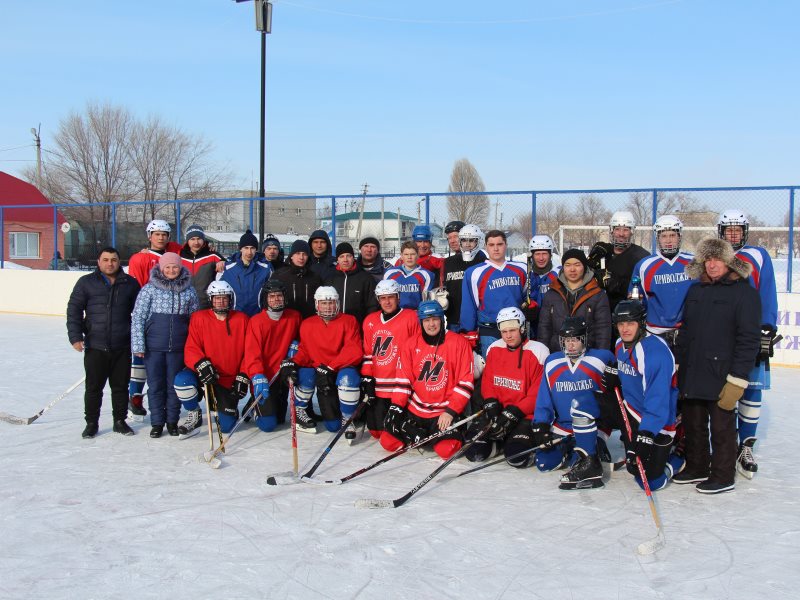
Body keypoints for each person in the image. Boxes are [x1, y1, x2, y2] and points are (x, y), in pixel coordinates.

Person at [673, 238, 761, 493]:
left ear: (728, 261)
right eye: (707, 260)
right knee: (693, 422)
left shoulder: (745, 293)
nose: (712, 265)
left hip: (723, 373)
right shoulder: (695, 290)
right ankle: (698, 466)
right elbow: (686, 330)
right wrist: (679, 361)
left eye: (717, 260)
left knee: (722, 427)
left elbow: (749, 339)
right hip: (693, 369)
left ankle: (723, 475)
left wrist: (738, 378)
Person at [717, 209, 779, 478]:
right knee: (720, 391)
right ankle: (722, 446)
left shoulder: (758, 255)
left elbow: (767, 291)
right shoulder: (713, 256)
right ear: (720, 232)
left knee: (751, 390)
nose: (733, 234)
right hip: (720, 337)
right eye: (728, 230)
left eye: (737, 230)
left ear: (745, 231)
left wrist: (766, 327)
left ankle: (746, 445)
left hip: (749, 334)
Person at [600, 299, 682, 491]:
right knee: (588, 401)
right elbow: (628, 371)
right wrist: (616, 377)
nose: (625, 329)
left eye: (630, 323)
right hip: (631, 410)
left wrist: (646, 434)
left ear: (641, 324)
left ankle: (678, 456)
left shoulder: (655, 353)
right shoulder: (620, 344)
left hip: (657, 421)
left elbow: (657, 400)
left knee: (649, 481)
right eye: (621, 324)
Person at [380, 300, 475, 459]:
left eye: (435, 319)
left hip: (443, 411)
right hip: (416, 409)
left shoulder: (459, 343)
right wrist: (396, 407)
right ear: (421, 322)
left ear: (442, 319)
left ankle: (427, 438)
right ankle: (421, 437)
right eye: (427, 320)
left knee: (446, 450)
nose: (431, 324)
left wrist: (451, 411)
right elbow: (403, 380)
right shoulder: (410, 344)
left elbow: (466, 381)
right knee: (388, 442)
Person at [530, 317, 615, 489]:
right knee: (544, 463)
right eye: (567, 340)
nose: (570, 345)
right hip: (563, 427)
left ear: (584, 338)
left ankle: (593, 448)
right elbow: (544, 397)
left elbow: (612, 400)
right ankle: (566, 449)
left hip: (591, 427)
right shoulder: (553, 361)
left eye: (575, 340)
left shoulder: (602, 358)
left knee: (581, 462)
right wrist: (541, 426)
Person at [66, 247, 141, 438]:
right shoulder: (86, 283)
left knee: (120, 387)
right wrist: (75, 337)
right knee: (93, 388)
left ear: (119, 262)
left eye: (114, 260)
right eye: (106, 260)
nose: (110, 263)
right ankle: (91, 423)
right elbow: (74, 310)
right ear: (98, 262)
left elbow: (140, 314)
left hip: (122, 345)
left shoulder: (130, 284)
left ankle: (119, 421)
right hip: (95, 345)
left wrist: (138, 340)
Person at [465, 307, 549, 466]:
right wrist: (491, 404)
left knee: (518, 458)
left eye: (513, 330)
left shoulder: (539, 351)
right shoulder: (495, 348)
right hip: (499, 413)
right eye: (504, 331)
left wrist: (515, 412)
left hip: (523, 415)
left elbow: (537, 393)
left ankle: (512, 442)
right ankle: (499, 443)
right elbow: (488, 381)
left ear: (522, 328)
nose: (508, 336)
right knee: (474, 451)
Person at [131, 252, 199, 438]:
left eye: (175, 267)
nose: (171, 270)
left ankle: (171, 421)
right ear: (161, 268)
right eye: (167, 267)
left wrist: (192, 347)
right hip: (154, 347)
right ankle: (157, 422)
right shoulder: (149, 290)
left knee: (172, 386)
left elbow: (195, 321)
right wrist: (138, 346)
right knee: (155, 386)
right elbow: (138, 317)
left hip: (178, 348)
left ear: (180, 268)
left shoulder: (189, 291)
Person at [279, 287, 362, 434]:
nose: (328, 307)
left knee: (348, 378)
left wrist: (331, 367)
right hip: (322, 376)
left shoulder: (349, 321)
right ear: (317, 304)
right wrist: (293, 362)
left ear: (337, 303)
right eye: (324, 303)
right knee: (332, 426)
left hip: (340, 369)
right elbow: (305, 350)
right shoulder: (308, 324)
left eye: (331, 303)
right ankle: (299, 410)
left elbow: (353, 350)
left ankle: (348, 418)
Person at [174, 280, 250, 435]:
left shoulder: (242, 319)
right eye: (217, 298)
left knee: (226, 426)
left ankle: (229, 409)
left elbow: (249, 352)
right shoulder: (199, 318)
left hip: (228, 379)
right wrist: (201, 364)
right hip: (205, 373)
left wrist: (243, 374)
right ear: (210, 299)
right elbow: (191, 347)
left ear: (230, 299)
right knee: (182, 382)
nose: (221, 302)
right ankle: (194, 413)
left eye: (224, 298)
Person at [126, 219, 182, 418]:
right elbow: (135, 287)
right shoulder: (139, 259)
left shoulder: (174, 253)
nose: (161, 237)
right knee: (140, 361)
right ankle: (135, 396)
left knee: (163, 368)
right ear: (149, 236)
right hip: (149, 316)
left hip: (169, 320)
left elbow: (195, 247)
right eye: (157, 234)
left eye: (164, 234)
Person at [361, 279, 422, 439]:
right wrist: (367, 377)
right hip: (380, 385)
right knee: (376, 432)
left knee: (393, 434)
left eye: (391, 297)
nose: (387, 302)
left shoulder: (411, 317)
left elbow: (418, 350)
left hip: (401, 385)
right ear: (378, 299)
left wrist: (414, 380)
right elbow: (368, 352)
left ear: (398, 297)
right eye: (383, 298)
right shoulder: (370, 320)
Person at [243, 279, 303, 432]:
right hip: (265, 377)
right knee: (268, 425)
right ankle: (254, 405)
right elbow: (251, 352)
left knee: (281, 420)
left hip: (282, 373)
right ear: (266, 299)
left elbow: (303, 340)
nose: (276, 299)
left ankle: (258, 403)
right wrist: (257, 375)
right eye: (272, 296)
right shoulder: (257, 322)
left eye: (279, 295)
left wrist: (297, 346)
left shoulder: (294, 316)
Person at [628, 215, 694, 348]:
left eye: (672, 235)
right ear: (657, 238)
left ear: (679, 236)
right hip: (655, 332)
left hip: (688, 330)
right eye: (664, 236)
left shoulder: (693, 262)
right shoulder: (644, 265)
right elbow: (636, 299)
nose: (668, 240)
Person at [461, 230, 528, 357]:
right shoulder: (474, 273)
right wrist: (469, 331)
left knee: (518, 370)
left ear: (506, 245)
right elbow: (469, 305)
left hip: (516, 328)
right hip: (489, 330)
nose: (496, 249)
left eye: (500, 244)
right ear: (486, 246)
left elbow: (528, 297)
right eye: (491, 245)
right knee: (493, 369)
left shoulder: (522, 269)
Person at [537, 248, 611, 354]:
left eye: (577, 265)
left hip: (588, 355)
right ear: (563, 267)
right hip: (557, 354)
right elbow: (544, 328)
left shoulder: (597, 295)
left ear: (584, 267)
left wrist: (601, 357)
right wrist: (543, 354)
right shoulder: (552, 294)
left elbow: (603, 330)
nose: (572, 269)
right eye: (568, 265)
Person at [587, 211, 649, 321]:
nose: (621, 234)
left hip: (628, 315)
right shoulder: (604, 252)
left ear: (632, 232)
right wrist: (589, 265)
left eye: (625, 229)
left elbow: (645, 289)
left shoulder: (640, 256)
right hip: (601, 313)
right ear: (612, 231)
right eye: (617, 229)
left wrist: (617, 284)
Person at [440, 224, 486, 333]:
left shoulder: (484, 261)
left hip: (477, 320)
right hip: (453, 320)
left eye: (471, 241)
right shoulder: (448, 262)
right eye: (464, 240)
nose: (467, 244)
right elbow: (444, 286)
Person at [220, 230, 273, 317]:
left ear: (256, 249)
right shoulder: (228, 269)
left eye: (252, 248)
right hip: (235, 317)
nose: (249, 252)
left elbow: (271, 294)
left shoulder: (265, 269)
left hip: (257, 317)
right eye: (246, 248)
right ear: (240, 248)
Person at [328, 242, 379, 322]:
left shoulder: (365, 278)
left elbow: (372, 306)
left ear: (353, 258)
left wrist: (368, 323)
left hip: (357, 325)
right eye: (342, 256)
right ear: (337, 259)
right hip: (335, 325)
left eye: (348, 256)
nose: (345, 260)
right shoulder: (330, 278)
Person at [273, 239, 323, 318]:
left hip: (308, 322)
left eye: (304, 254)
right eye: (298, 253)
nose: (301, 257)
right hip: (287, 321)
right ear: (291, 256)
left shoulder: (314, 277)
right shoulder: (279, 275)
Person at [179, 224, 223, 310]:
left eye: (199, 239)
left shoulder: (213, 255)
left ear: (203, 240)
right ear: (187, 241)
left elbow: (229, 266)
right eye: (192, 239)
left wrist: (223, 262)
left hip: (206, 305)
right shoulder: (179, 256)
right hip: (184, 304)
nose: (196, 242)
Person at [383, 241, 436, 310]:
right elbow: (385, 297)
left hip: (415, 314)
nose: (409, 257)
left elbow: (427, 302)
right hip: (395, 314)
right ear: (401, 256)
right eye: (406, 254)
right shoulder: (390, 273)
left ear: (418, 255)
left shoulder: (427, 275)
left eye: (413, 254)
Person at [527, 234, 560, 336]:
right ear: (532, 255)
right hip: (533, 329)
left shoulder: (560, 274)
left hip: (554, 328)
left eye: (544, 253)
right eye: (537, 254)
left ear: (550, 255)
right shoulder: (527, 275)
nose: (541, 258)